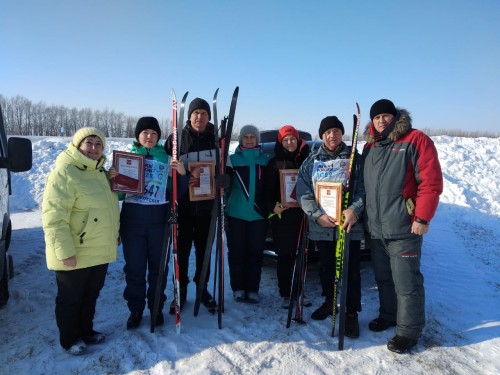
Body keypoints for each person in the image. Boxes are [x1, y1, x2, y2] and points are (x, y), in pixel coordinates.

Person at [362, 99, 443, 353]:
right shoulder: (369, 147)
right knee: (384, 278)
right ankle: (388, 314)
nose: (382, 120)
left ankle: (409, 331)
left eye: (386, 116)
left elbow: (430, 182)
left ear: (395, 117)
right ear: (372, 122)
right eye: (377, 117)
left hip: (404, 228)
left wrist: (422, 218)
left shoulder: (416, 140)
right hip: (376, 229)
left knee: (406, 282)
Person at [42, 127, 120, 355]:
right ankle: (69, 339)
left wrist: (114, 235)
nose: (94, 148)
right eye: (89, 143)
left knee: (90, 295)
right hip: (75, 249)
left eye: (98, 144)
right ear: (77, 145)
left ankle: (86, 331)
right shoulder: (64, 173)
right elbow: (54, 217)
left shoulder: (101, 173)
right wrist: (64, 251)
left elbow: (109, 211)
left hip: (97, 250)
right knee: (70, 298)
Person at [296, 116, 364, 338]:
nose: (332, 135)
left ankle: (351, 312)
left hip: (348, 226)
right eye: (327, 132)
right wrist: (316, 216)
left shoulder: (355, 160)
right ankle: (330, 301)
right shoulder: (311, 162)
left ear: (341, 133)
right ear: (321, 135)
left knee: (351, 271)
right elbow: (303, 192)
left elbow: (364, 190)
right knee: (326, 267)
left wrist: (354, 209)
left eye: (336, 131)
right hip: (323, 226)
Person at [116, 117, 187, 330]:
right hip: (133, 222)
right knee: (135, 268)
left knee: (158, 268)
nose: (149, 136)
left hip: (159, 221)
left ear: (158, 137)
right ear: (138, 135)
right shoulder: (127, 158)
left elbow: (177, 193)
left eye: (154, 133)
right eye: (145, 132)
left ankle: (156, 306)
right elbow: (119, 196)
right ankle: (135, 309)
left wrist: (181, 174)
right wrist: (114, 179)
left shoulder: (166, 159)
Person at [164, 98, 219, 314]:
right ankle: (181, 289)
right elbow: (166, 170)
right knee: (182, 252)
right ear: (189, 116)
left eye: (204, 113)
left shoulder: (217, 141)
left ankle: (202, 288)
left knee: (204, 251)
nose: (199, 116)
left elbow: (227, 170)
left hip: (208, 209)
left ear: (208, 117)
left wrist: (225, 179)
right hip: (184, 208)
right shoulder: (176, 140)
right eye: (196, 113)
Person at [264, 125, 312, 308]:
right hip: (283, 217)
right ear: (281, 142)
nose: (290, 142)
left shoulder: (307, 160)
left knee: (302, 255)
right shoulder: (274, 163)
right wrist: (272, 207)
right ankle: (286, 293)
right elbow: (267, 192)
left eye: (292, 139)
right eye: (286, 140)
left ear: (298, 140)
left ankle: (300, 291)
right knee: (285, 256)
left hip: (304, 215)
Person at [226, 125, 269, 303]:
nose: (249, 139)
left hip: (258, 215)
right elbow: (226, 186)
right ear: (241, 139)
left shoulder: (265, 160)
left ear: (257, 140)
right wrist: (221, 181)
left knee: (255, 253)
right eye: (246, 137)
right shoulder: (232, 160)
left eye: (253, 137)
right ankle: (238, 287)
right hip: (236, 213)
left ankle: (252, 288)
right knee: (237, 252)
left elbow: (270, 187)